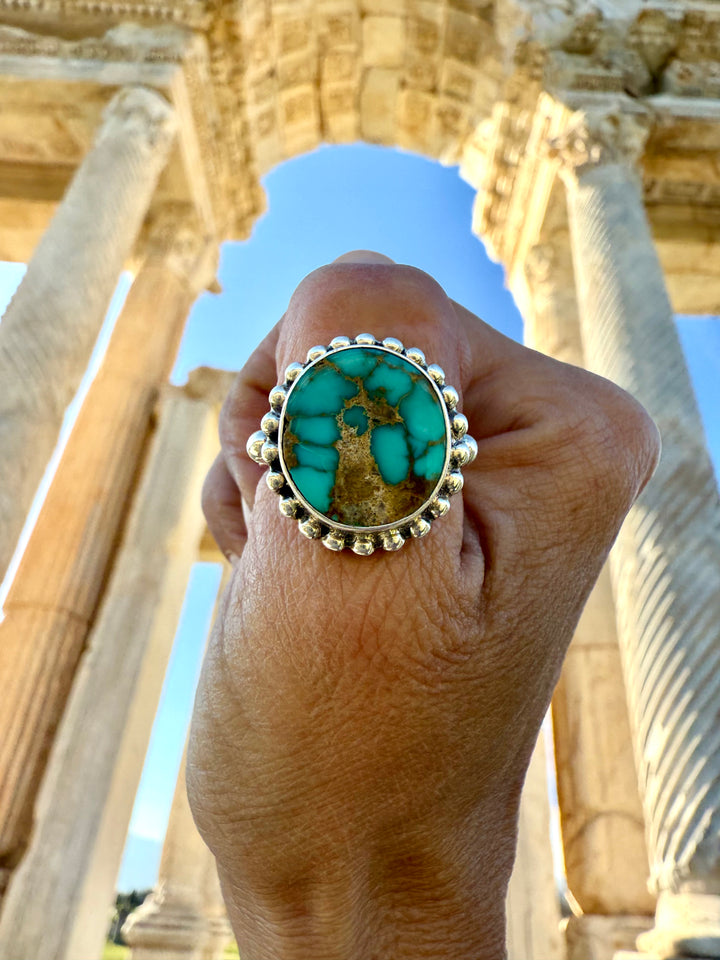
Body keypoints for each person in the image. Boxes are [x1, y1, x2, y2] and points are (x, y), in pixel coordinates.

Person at [187, 251, 660, 960]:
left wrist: (336, 907)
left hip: (368, 477)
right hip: (358, 473)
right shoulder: (354, 434)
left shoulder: (356, 434)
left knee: (354, 302)